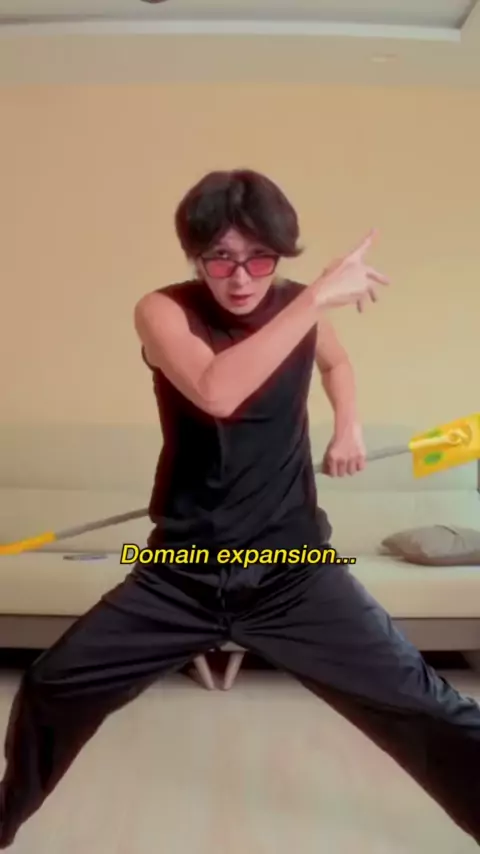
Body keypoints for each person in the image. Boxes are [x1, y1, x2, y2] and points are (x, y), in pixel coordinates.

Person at [1, 169, 480, 849]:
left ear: (279, 255)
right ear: (195, 256)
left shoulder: (299, 306)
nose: (241, 277)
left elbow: (336, 365)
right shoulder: (163, 310)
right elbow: (216, 391)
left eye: (260, 257)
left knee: (427, 705)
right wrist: (313, 298)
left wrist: (348, 427)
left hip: (292, 569)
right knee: (53, 685)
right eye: (220, 257)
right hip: (182, 573)